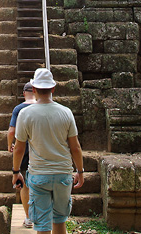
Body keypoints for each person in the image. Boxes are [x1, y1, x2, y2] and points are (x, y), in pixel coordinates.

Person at [11, 68, 84, 234]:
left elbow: (19, 148)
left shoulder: (25, 114)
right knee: (59, 222)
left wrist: (16, 171)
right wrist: (80, 170)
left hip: (39, 175)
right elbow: (75, 147)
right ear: (53, 89)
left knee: (42, 226)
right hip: (63, 175)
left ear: (34, 89)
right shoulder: (66, 113)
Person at [8, 82, 36, 228]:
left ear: (24, 93)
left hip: (24, 149)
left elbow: (11, 131)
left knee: (25, 185)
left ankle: (29, 217)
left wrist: (9, 145)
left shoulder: (19, 109)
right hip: (41, 150)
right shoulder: (42, 107)